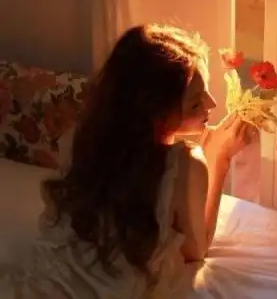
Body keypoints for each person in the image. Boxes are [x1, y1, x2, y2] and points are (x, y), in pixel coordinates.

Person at [2, 24, 255, 298]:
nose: (212, 104)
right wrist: (220, 157)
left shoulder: (85, 137)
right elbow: (196, 250)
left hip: (49, 277)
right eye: (195, 103)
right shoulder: (186, 165)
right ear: (155, 113)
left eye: (205, 91)